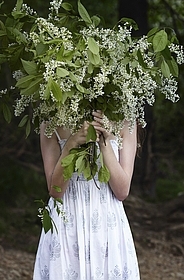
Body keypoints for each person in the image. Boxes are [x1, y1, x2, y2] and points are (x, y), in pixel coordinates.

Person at [33, 110, 140, 280]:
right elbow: (55, 190)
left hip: (107, 221)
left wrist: (104, 142)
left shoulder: (126, 121)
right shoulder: (51, 121)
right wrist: (72, 143)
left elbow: (122, 191)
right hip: (67, 219)